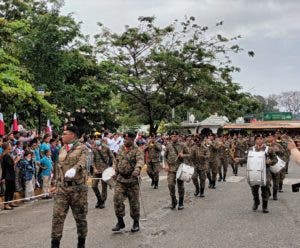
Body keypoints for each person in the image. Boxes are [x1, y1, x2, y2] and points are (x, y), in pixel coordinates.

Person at [51, 126, 88, 248]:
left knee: (80, 218)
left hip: (78, 189)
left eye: (65, 133)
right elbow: (58, 168)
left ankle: (81, 243)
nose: (62, 136)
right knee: (57, 217)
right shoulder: (61, 149)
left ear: (73, 135)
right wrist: (55, 184)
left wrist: (74, 169)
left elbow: (82, 162)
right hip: (62, 189)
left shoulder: (82, 148)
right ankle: (55, 245)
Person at [112, 132, 143, 232]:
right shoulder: (121, 148)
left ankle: (135, 222)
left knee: (134, 203)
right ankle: (120, 222)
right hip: (121, 180)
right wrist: (114, 171)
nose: (125, 140)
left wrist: (137, 170)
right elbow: (116, 161)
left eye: (127, 139)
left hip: (132, 180)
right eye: (124, 139)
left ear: (132, 139)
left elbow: (140, 161)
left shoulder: (137, 150)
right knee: (117, 199)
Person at [249, 135, 277, 213]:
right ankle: (256, 202)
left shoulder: (269, 149)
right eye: (257, 139)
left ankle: (265, 206)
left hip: (265, 171)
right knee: (254, 189)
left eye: (261, 139)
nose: (259, 140)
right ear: (255, 140)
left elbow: (275, 160)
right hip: (254, 172)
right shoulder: (251, 149)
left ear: (263, 140)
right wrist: (239, 160)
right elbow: (246, 158)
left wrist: (270, 161)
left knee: (265, 189)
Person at [165, 131, 190, 210]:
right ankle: (173, 200)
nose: (174, 138)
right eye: (172, 136)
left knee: (180, 186)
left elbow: (190, 154)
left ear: (178, 137)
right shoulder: (168, 145)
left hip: (180, 168)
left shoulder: (182, 145)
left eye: (175, 136)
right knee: (170, 185)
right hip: (171, 169)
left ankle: (181, 203)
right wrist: (166, 164)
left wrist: (183, 155)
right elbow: (165, 156)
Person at [92, 134, 114, 209]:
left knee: (104, 187)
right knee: (93, 186)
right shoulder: (94, 148)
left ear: (101, 139)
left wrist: (112, 168)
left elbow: (112, 157)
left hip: (105, 170)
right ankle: (99, 199)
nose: (96, 140)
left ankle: (103, 202)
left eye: (98, 138)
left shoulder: (106, 148)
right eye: (95, 138)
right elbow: (92, 160)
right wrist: (94, 168)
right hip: (96, 171)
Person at [1, 142, 21, 210]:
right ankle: (6, 204)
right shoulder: (6, 155)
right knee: (8, 190)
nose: (11, 146)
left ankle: (11, 202)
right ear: (7, 147)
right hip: (8, 175)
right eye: (10, 145)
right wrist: (17, 160)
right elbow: (11, 165)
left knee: (12, 189)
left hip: (11, 174)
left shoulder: (8, 155)